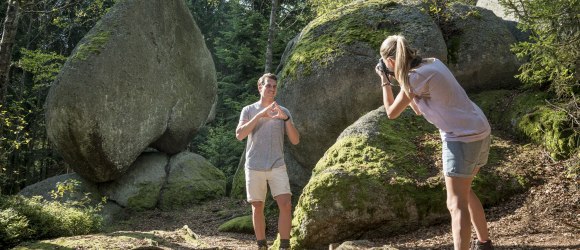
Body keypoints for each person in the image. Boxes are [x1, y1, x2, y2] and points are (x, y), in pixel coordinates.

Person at [375, 35, 494, 250]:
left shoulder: (415, 78)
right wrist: (400, 79)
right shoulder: (432, 63)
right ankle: (484, 243)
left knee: (455, 203)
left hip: (462, 138)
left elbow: (391, 113)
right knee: (464, 192)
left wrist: (385, 80)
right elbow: (418, 109)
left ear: (390, 62)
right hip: (479, 129)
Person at [236, 73, 300, 250]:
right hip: (254, 165)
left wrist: (285, 119)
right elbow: (239, 135)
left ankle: (284, 246)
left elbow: (295, 140)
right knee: (257, 206)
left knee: (286, 204)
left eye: (274, 86)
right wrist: (260, 115)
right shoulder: (248, 110)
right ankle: (262, 245)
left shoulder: (284, 111)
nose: (271, 89)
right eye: (268, 86)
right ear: (260, 87)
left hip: (277, 165)